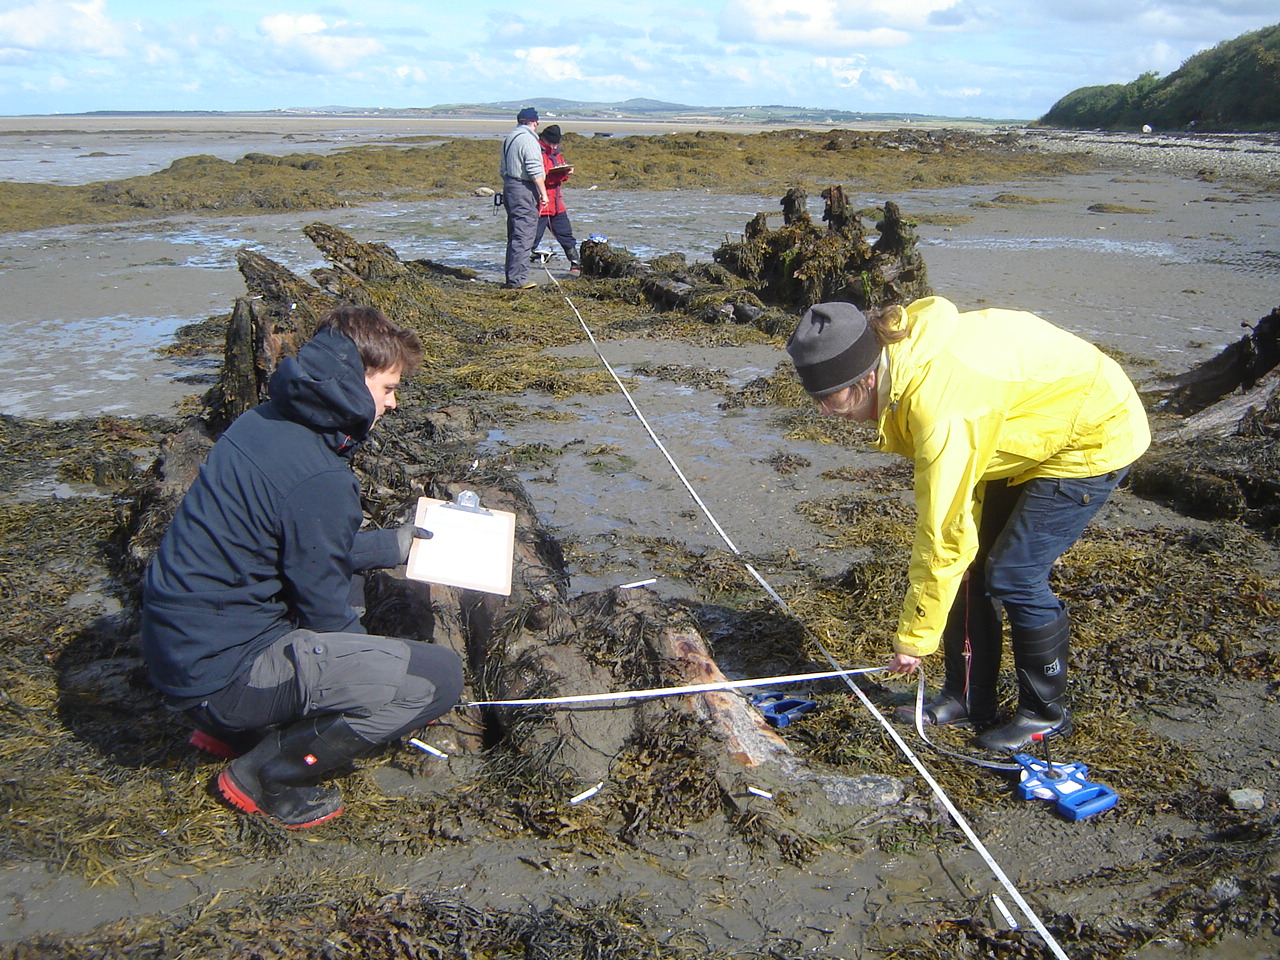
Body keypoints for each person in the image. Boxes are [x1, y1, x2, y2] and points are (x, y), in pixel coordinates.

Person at [142, 305, 465, 828]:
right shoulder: (320, 477)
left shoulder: (265, 419)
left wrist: (394, 546)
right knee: (435, 677)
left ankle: (230, 731)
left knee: (354, 586)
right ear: (354, 382)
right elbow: (326, 612)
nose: (394, 403)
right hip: (223, 679)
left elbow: (293, 547)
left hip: (181, 652)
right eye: (387, 388)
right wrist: (369, 663)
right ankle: (269, 773)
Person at [786, 297, 1150, 754]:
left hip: (1091, 432)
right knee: (974, 567)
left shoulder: (942, 412)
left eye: (828, 399)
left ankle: (1045, 714)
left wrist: (914, 640)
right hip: (1019, 422)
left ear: (867, 378)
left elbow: (944, 538)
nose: (823, 412)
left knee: (1014, 574)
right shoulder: (902, 357)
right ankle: (968, 697)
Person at [500, 106, 549, 289]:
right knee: (524, 235)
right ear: (534, 123)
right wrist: (544, 194)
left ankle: (513, 277)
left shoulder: (510, 138)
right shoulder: (528, 140)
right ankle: (519, 280)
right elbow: (534, 170)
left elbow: (502, 169)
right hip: (523, 189)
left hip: (510, 186)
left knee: (514, 234)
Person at [532, 124, 580, 276]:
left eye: (556, 143)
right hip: (540, 203)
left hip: (557, 204)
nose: (554, 145)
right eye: (552, 142)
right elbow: (541, 177)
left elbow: (558, 175)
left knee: (566, 234)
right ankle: (519, 265)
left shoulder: (556, 154)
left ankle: (575, 262)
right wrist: (561, 174)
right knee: (532, 238)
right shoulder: (536, 152)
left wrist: (566, 172)